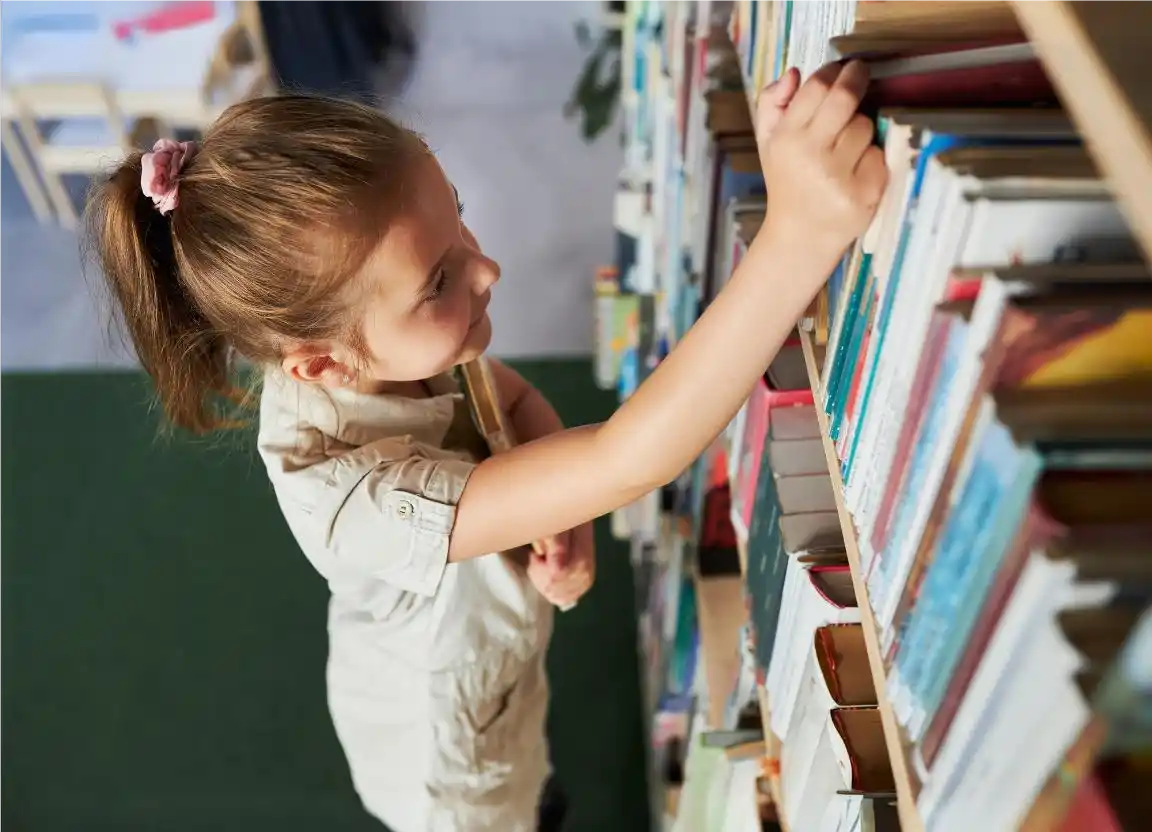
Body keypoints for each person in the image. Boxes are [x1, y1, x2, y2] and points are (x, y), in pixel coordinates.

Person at [84, 60, 886, 831]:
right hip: (451, 776)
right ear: (324, 363)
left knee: (530, 766)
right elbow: (627, 458)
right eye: (438, 280)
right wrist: (797, 238)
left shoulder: (391, 350)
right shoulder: (348, 502)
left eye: (458, 212)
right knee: (514, 804)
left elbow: (508, 397)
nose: (489, 268)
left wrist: (557, 510)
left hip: (496, 686)